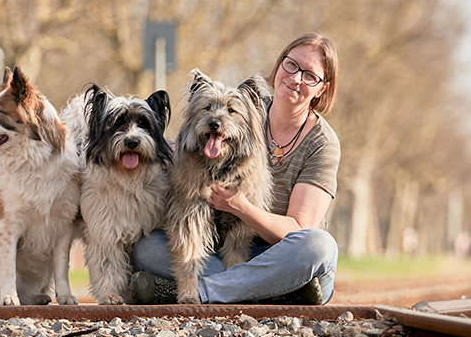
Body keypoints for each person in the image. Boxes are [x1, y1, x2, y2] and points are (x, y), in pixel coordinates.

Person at [131, 32, 342, 304]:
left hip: (278, 256)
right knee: (147, 248)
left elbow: (298, 229)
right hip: (218, 254)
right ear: (279, 65)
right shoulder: (245, 103)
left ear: (322, 88)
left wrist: (241, 206)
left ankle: (201, 292)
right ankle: (270, 293)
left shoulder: (322, 143)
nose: (296, 78)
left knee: (318, 246)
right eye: (291, 65)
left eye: (310, 75)